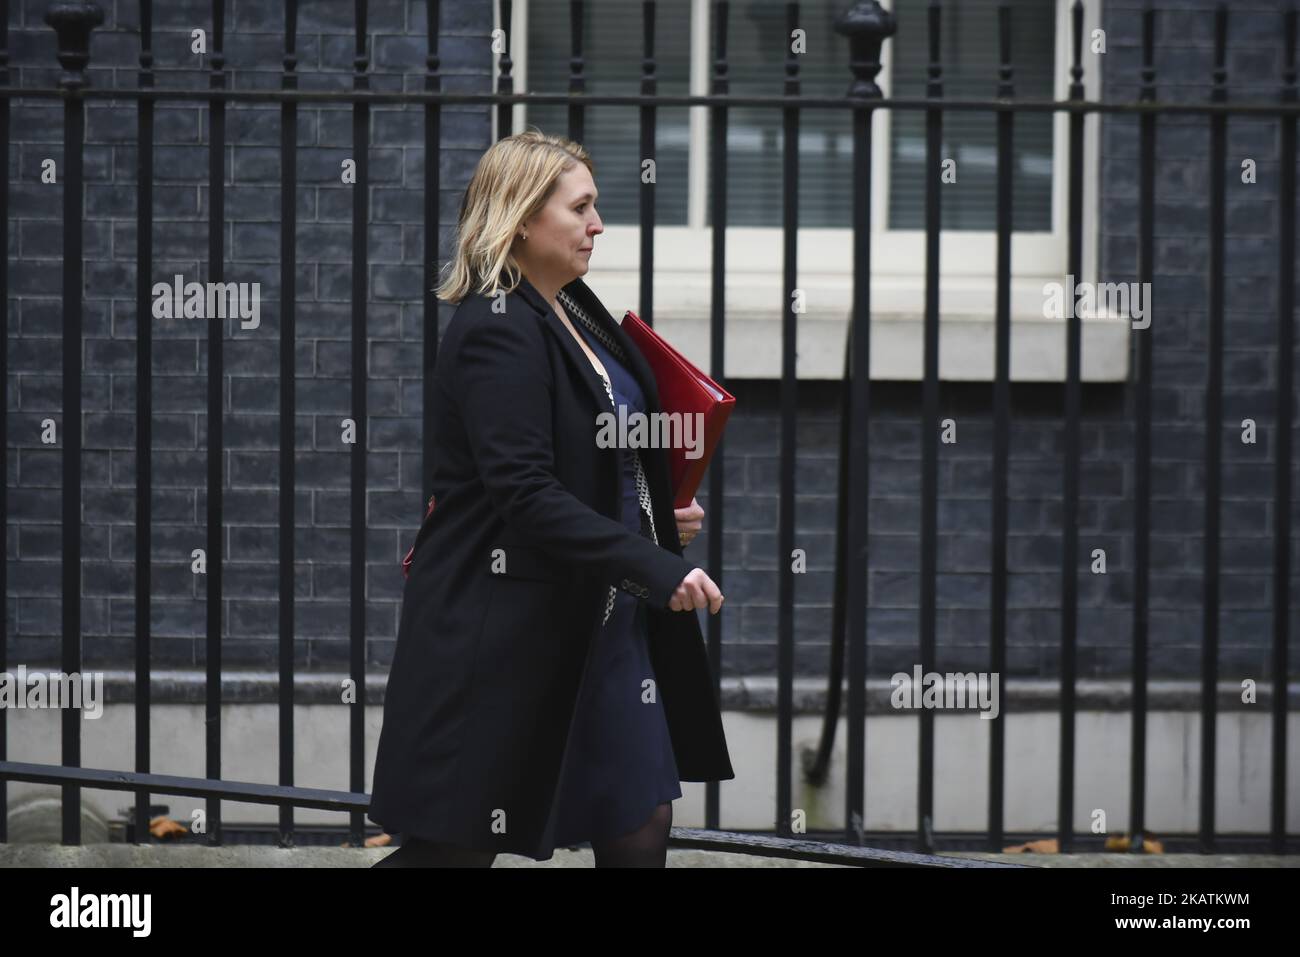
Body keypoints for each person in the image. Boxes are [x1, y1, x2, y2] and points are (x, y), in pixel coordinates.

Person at [368, 129, 734, 868]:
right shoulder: (496, 329)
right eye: (581, 207)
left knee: (640, 820)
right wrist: (654, 567)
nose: (598, 224)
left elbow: (597, 453)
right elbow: (526, 493)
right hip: (508, 630)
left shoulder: (576, 312)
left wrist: (655, 519)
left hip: (602, 627)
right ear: (522, 217)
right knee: (453, 851)